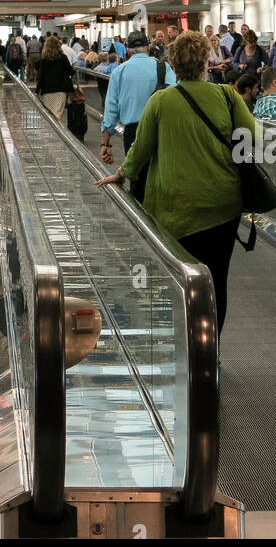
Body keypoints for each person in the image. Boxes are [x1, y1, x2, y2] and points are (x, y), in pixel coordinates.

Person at [98, 31, 255, 332]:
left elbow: (139, 150)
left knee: (179, 277)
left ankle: (187, 344)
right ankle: (213, 348)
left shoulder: (161, 102)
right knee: (216, 277)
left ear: (173, 64)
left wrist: (120, 174)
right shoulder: (228, 96)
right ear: (205, 65)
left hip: (176, 208)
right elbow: (249, 141)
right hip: (223, 206)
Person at [100, 30, 176, 203]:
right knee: (162, 178)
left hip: (134, 133)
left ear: (127, 50)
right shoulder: (164, 68)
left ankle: (141, 222)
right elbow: (175, 96)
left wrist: (105, 143)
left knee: (138, 181)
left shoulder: (119, 72)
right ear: (148, 49)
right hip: (162, 131)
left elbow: (110, 110)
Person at [36, 34, 75, 118]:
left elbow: (41, 76)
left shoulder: (43, 59)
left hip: (47, 90)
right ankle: (58, 130)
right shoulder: (63, 57)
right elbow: (71, 72)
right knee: (57, 114)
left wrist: (37, 90)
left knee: (50, 115)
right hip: (61, 89)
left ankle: (53, 130)